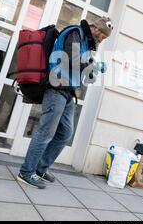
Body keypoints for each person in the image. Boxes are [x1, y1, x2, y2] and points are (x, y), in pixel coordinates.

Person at [17, 17, 114, 189]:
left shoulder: (85, 40)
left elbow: (81, 65)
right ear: (96, 29)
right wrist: (93, 65)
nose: (101, 40)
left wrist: (91, 70)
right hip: (56, 88)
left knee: (65, 133)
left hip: (68, 92)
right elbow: (71, 58)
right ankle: (26, 172)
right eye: (102, 37)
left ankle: (40, 168)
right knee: (45, 132)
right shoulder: (75, 32)